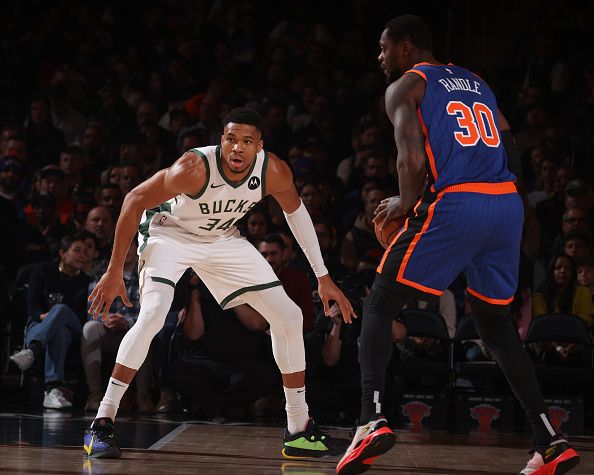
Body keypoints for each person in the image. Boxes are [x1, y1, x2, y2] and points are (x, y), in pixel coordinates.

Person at [337, 15, 581, 475]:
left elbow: (408, 156)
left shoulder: (405, 87)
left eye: (384, 47)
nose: (379, 57)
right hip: (506, 202)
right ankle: (549, 439)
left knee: (381, 300)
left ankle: (370, 420)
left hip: (460, 200)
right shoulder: (475, 81)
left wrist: (407, 205)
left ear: (407, 47)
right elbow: (508, 142)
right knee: (494, 324)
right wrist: (514, 203)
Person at [83, 107, 355, 459]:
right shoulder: (193, 168)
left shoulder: (273, 171)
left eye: (246, 141)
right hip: (170, 235)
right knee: (152, 315)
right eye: (230, 140)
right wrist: (114, 269)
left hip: (221, 238)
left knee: (288, 316)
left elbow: (296, 214)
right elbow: (134, 199)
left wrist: (323, 276)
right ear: (221, 141)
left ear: (259, 146)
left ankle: (299, 429)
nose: (237, 148)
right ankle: (102, 422)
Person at [9, 234, 90, 409]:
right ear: (62, 253)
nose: (82, 255)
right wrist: (46, 318)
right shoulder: (43, 271)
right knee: (59, 332)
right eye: (77, 250)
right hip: (41, 324)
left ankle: (32, 350)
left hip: (73, 327)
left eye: (85, 251)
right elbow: (32, 306)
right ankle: (52, 391)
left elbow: (82, 314)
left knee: (60, 310)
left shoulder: (86, 281)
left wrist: (56, 315)